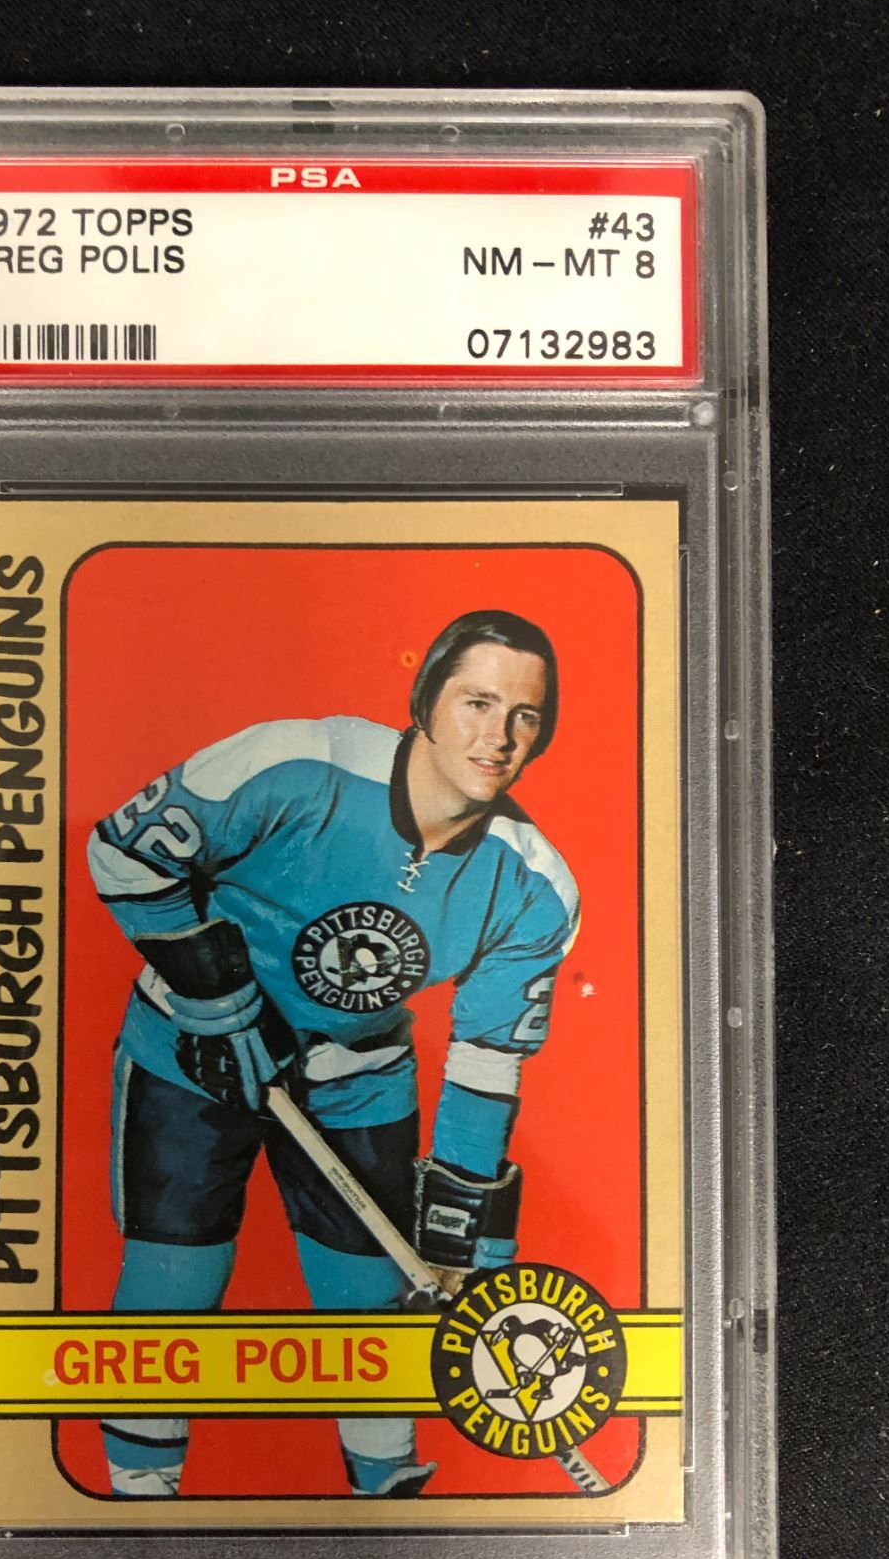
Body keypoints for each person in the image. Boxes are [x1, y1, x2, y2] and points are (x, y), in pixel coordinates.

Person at [87, 609, 580, 1498]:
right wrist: (215, 997)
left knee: (374, 1293)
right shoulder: (295, 764)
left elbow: (485, 1060)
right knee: (173, 1276)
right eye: (476, 702)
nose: (498, 736)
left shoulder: (534, 884)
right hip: (190, 1055)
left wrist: (458, 1232)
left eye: (525, 716)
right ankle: (138, 1493)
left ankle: (386, 1487)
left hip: (358, 1075)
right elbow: (122, 853)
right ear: (425, 702)